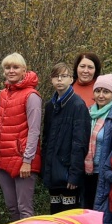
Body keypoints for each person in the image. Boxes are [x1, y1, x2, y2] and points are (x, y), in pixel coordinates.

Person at [0, 53, 43, 221]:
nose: (11, 71)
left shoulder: (32, 96)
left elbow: (34, 131)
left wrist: (27, 160)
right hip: (3, 160)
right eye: (7, 67)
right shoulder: (3, 94)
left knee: (24, 209)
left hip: (23, 160)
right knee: (12, 208)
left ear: (24, 70)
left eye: (15, 67)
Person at [41, 62, 90, 212]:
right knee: (55, 212)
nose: (60, 80)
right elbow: (46, 140)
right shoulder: (50, 105)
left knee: (69, 215)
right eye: (56, 76)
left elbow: (80, 142)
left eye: (64, 76)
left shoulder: (77, 105)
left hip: (68, 171)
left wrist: (74, 174)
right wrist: (45, 170)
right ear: (51, 80)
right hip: (53, 170)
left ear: (71, 79)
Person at [83, 74, 112, 209]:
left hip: (104, 170)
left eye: (106, 91)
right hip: (86, 170)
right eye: (98, 91)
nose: (101, 95)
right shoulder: (87, 112)